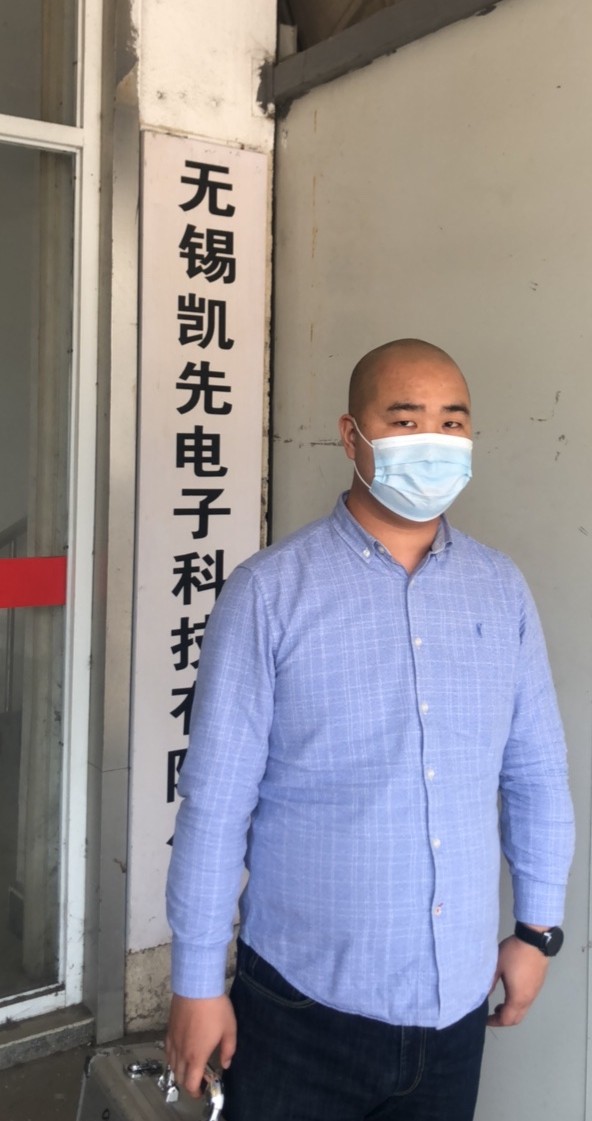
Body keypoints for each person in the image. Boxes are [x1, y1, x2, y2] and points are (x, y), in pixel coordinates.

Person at [165, 339, 574, 1121]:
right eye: (406, 420)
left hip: (455, 1010)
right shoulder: (269, 595)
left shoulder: (501, 590)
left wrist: (536, 930)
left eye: (452, 421)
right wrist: (194, 981)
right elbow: (216, 803)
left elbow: (537, 776)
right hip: (299, 1009)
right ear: (352, 437)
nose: (434, 440)